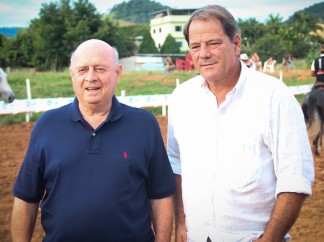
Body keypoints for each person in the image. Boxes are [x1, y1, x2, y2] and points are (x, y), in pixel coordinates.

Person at [167, 5, 314, 242]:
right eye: (195, 46)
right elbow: (176, 163)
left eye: (213, 43)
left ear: (236, 44)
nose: (203, 53)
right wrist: (182, 222)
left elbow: (295, 177)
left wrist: (270, 238)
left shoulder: (274, 96)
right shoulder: (181, 98)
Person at [11, 39, 176, 242]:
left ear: (118, 73)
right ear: (72, 74)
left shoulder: (144, 125)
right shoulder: (47, 125)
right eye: (82, 70)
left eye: (100, 69)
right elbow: (26, 198)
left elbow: (160, 195)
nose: (91, 77)